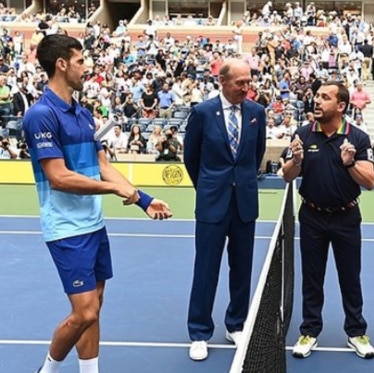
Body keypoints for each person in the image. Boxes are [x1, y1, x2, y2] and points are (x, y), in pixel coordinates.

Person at [23, 34, 172, 373]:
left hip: (93, 225)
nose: (86, 68)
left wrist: (144, 201)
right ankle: (46, 370)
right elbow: (59, 177)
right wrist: (114, 191)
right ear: (61, 64)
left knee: (96, 306)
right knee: (85, 311)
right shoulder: (41, 115)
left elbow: (104, 166)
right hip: (65, 229)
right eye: (80, 61)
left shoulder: (84, 114)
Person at [282, 81, 374, 359]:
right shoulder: (302, 134)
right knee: (312, 278)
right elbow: (287, 175)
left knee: (350, 278)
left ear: (341, 105)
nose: (317, 100)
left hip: (346, 217)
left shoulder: (358, 138)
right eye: (316, 96)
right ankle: (310, 331)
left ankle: (356, 332)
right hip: (312, 216)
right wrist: (296, 160)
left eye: (325, 97)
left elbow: (370, 181)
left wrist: (349, 162)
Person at [183, 58, 267, 361]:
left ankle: (236, 324)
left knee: (242, 268)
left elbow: (256, 155)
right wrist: (208, 188)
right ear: (223, 82)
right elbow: (191, 158)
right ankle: (199, 331)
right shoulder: (202, 113)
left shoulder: (257, 113)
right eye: (240, 83)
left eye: (249, 81)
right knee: (205, 269)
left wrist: (239, 183)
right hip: (212, 203)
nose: (247, 88)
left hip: (244, 203)